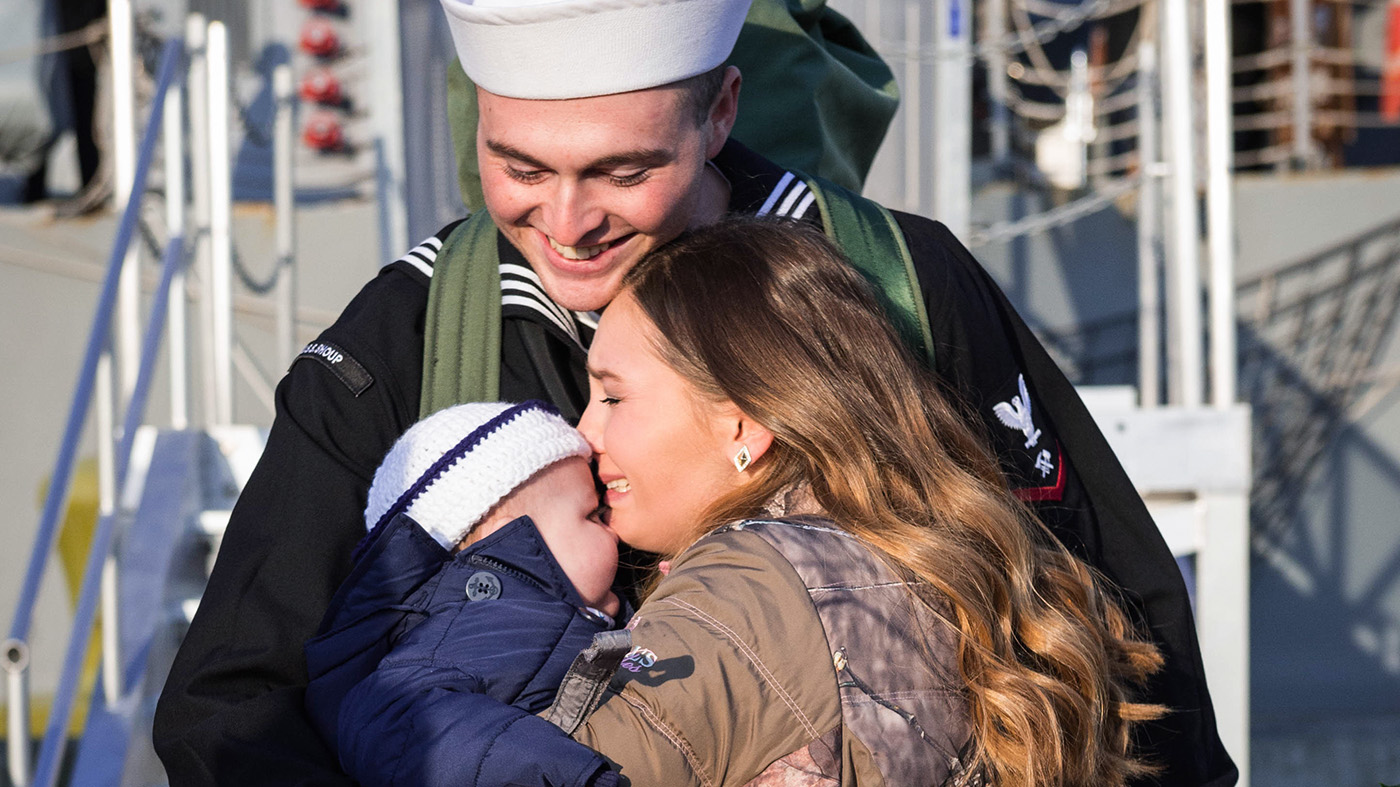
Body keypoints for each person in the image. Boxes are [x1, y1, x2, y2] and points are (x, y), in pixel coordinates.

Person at [153, 0, 1236, 784]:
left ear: (719, 109)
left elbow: (1110, 627)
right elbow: (231, 703)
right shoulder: (410, 336)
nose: (568, 224)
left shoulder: (898, 285)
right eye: (520, 167)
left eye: (623, 171)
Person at [302, 400, 625, 787]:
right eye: (591, 516)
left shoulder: (518, 617)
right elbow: (396, 721)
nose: (613, 530)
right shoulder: (470, 629)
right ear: (510, 538)